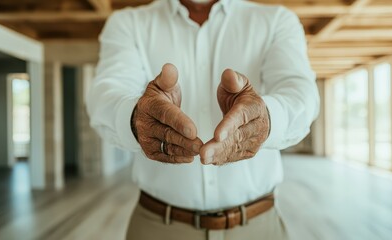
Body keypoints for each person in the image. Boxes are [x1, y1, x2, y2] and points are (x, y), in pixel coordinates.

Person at [87, 0, 319, 239]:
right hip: (158, 227)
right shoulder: (128, 23)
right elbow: (106, 93)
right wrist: (136, 116)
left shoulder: (277, 20)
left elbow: (300, 93)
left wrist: (266, 118)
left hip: (259, 227)